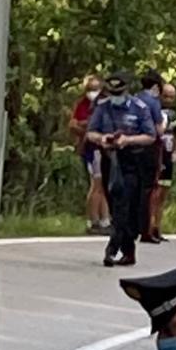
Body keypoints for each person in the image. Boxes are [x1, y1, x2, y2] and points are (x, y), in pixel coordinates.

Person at [86, 69, 158, 268]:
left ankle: (112, 249)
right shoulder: (103, 107)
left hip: (133, 161)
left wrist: (128, 140)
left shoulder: (139, 107)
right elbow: (90, 132)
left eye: (119, 93)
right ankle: (128, 251)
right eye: (112, 93)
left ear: (126, 91)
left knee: (124, 205)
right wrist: (103, 139)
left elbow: (150, 136)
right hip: (111, 159)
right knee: (115, 202)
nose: (115, 97)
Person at [69, 73, 109, 234]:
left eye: (96, 89)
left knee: (104, 186)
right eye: (90, 89)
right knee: (96, 185)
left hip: (104, 149)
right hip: (92, 150)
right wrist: (86, 129)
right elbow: (73, 124)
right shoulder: (83, 104)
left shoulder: (105, 105)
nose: (93, 92)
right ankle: (93, 221)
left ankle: (105, 220)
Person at [136, 69, 166, 245]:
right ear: (156, 86)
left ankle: (133, 226)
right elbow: (158, 129)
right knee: (149, 189)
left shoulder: (134, 99)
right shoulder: (153, 102)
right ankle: (146, 230)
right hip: (150, 148)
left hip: (132, 147)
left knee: (135, 188)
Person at [148, 81, 176, 244]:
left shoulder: (174, 115)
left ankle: (157, 227)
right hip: (156, 156)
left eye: (172, 97)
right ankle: (148, 226)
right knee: (154, 193)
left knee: (164, 194)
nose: (168, 99)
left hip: (168, 156)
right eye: (166, 96)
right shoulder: (154, 111)